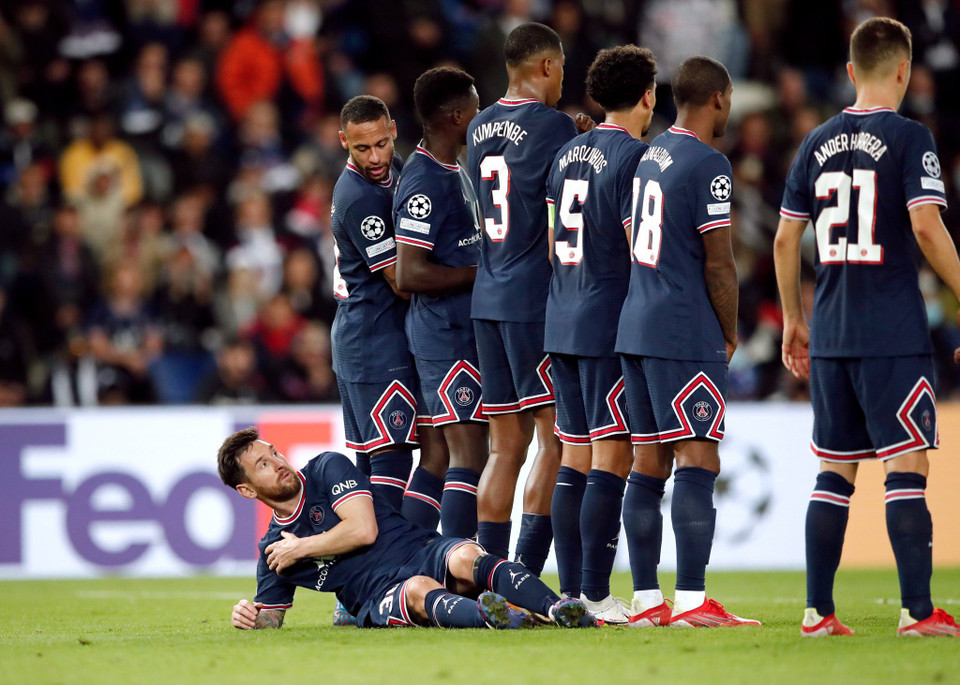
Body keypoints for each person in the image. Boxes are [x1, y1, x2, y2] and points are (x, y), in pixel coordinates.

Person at [774, 17, 960, 638]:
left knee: (834, 473)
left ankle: (816, 613)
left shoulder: (815, 140)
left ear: (851, 72)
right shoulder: (912, 138)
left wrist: (795, 322)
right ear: (904, 70)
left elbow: (784, 239)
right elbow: (928, 228)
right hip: (891, 333)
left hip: (829, 333)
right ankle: (918, 612)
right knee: (906, 469)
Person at [616, 56, 760, 628]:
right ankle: (694, 602)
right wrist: (729, 330)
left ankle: (648, 602)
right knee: (698, 457)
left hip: (636, 324)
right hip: (683, 327)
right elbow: (719, 264)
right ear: (719, 99)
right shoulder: (710, 163)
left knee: (647, 464)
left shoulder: (648, 155)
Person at [218, 427, 596, 630]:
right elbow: (272, 616)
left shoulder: (325, 468)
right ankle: (497, 617)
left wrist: (301, 547)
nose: (279, 463)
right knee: (417, 590)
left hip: (418, 548)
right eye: (263, 465)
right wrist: (252, 618)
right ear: (247, 490)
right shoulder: (273, 550)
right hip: (378, 593)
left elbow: (363, 529)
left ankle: (559, 608)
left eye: (274, 453)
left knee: (466, 554)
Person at [466, 22, 592, 575]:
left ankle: (487, 573)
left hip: (486, 296)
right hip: (531, 301)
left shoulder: (477, 127)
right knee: (555, 440)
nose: (563, 79)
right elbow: (560, 219)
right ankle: (522, 575)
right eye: (562, 68)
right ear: (545, 67)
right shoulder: (553, 126)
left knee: (503, 447)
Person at [544, 45, 656, 624]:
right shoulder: (639, 159)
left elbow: (549, 240)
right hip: (607, 322)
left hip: (559, 318)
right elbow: (645, 250)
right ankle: (592, 594)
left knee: (574, 456)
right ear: (648, 95)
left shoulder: (565, 154)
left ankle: (570, 593)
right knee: (611, 456)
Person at [331, 94, 448, 529]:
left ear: (393, 129)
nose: (376, 156)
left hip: (365, 339)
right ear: (343, 141)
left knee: (369, 468)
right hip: (373, 343)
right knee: (391, 462)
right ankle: (390, 571)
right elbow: (401, 282)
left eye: (381, 143)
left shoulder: (393, 170)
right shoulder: (358, 197)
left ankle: (358, 589)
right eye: (362, 148)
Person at [394, 67, 487, 540]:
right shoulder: (425, 180)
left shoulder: (457, 168)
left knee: (446, 455)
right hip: (444, 335)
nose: (482, 114)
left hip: (460, 330)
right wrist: (479, 274)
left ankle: (407, 563)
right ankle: (461, 571)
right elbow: (408, 273)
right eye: (475, 107)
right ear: (456, 117)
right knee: (467, 453)